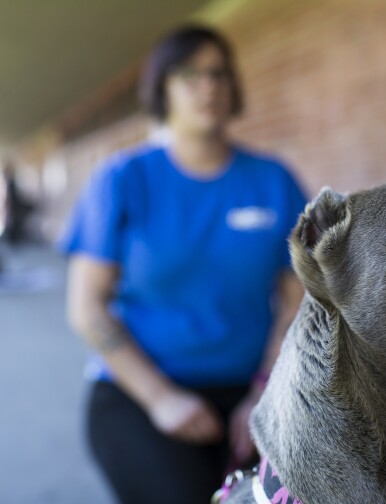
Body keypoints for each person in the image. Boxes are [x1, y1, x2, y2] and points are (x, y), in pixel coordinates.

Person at [61, 25, 307, 504]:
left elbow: (298, 302)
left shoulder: (273, 181)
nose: (208, 86)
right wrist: (161, 399)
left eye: (218, 74)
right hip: (140, 393)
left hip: (254, 388)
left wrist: (266, 395)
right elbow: (86, 308)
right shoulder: (122, 179)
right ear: (162, 88)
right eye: (189, 74)